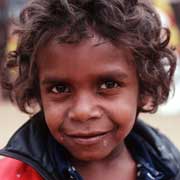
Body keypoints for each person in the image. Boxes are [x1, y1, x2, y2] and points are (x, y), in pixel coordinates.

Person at [0, 0, 180, 179]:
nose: (83, 112)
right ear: (38, 93)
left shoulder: (169, 166)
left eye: (108, 85)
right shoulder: (12, 175)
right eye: (60, 88)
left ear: (143, 88)